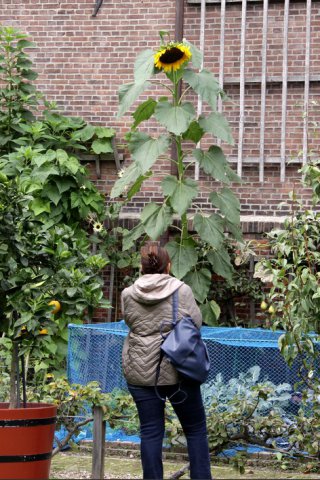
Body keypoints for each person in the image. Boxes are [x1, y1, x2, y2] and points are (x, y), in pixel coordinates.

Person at [121, 241, 212, 480]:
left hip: (140, 370)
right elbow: (195, 324)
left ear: (141, 267)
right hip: (177, 368)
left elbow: (131, 323)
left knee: (150, 432)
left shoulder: (128, 294)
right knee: (195, 430)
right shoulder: (181, 290)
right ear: (168, 265)